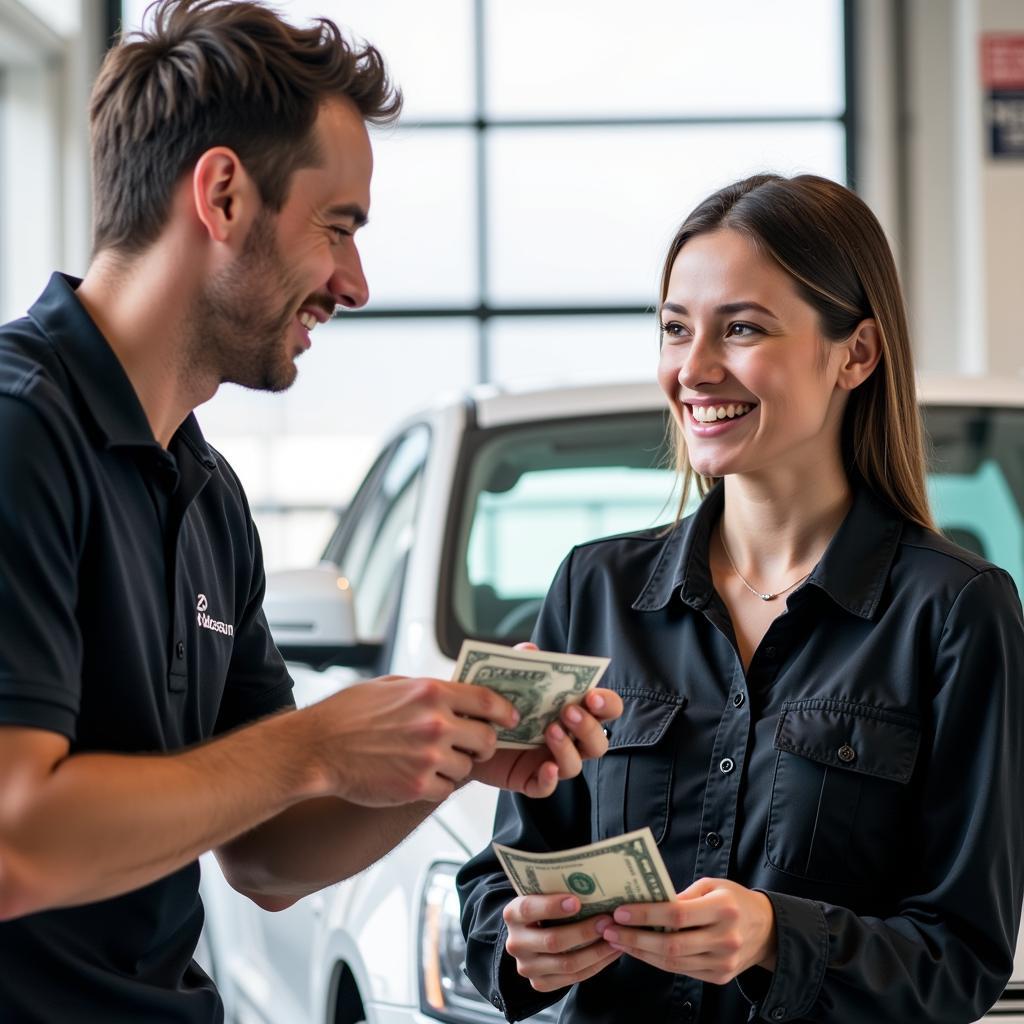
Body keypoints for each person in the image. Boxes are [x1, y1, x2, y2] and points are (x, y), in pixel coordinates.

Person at [0, 3, 623, 1022]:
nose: (357, 281)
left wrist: (441, 759)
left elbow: (265, 859)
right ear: (224, 194)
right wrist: (317, 744)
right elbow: (15, 842)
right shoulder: (20, 434)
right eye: (337, 225)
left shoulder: (208, 497)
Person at [458, 173, 1024, 1023]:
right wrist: (517, 937)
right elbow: (509, 865)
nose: (694, 369)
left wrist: (775, 937)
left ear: (856, 354)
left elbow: (961, 958)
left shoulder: (955, 614)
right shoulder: (595, 590)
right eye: (676, 330)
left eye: (743, 329)